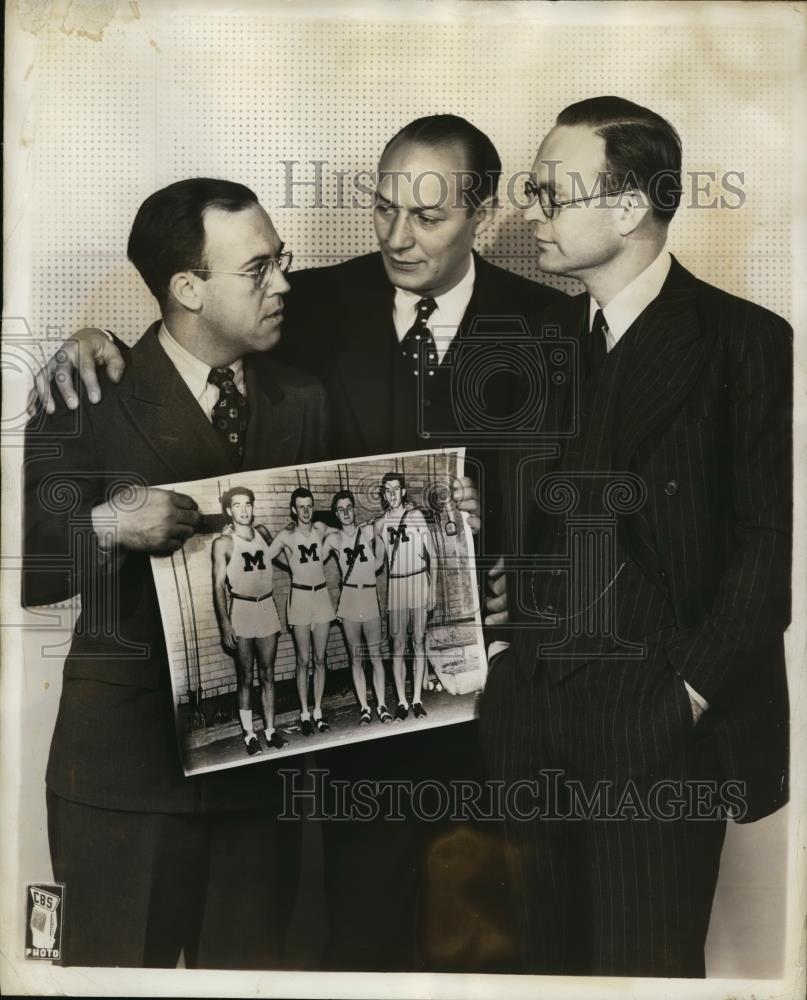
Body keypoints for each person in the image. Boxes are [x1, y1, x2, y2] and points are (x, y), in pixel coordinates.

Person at [31, 115, 564, 971]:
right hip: (208, 759)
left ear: (480, 211)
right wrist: (92, 343)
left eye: (425, 217)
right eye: (382, 208)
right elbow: (187, 325)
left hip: (436, 731)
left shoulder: (549, 326)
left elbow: (575, 509)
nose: (396, 236)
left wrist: (486, 539)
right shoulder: (294, 309)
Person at [480, 97, 792, 978]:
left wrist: (686, 695)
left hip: (657, 734)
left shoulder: (747, 343)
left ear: (626, 209)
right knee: (525, 982)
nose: (527, 212)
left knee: (640, 976)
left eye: (548, 194)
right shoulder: (530, 344)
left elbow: (769, 550)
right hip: (526, 721)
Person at [22, 178, 328, 968]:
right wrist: (108, 523)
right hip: (126, 781)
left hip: (264, 779)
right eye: (257, 270)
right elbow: (28, 566)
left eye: (280, 261)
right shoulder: (85, 393)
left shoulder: (306, 399)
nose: (282, 283)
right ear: (186, 287)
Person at [211, 486, 288, 755]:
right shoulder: (223, 543)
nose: (244, 510)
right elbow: (218, 586)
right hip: (241, 610)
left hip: (266, 607)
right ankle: (249, 735)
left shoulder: (264, 534)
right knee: (245, 677)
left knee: (268, 674)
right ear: (229, 510)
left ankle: (269, 731)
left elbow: (287, 560)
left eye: (248, 504)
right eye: (238, 505)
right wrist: (224, 625)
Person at [259, 487, 335, 735]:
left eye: (309, 505)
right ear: (293, 509)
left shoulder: (321, 528)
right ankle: (304, 713)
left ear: (313, 507)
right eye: (301, 506)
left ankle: (318, 712)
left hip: (321, 596)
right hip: (300, 597)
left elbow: (347, 533)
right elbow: (263, 557)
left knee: (320, 659)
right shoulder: (285, 536)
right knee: (303, 660)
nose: (305, 510)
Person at [322, 490, 390, 725]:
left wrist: (407, 507)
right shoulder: (333, 539)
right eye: (340, 509)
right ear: (336, 514)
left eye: (349, 507)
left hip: (370, 596)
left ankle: (381, 705)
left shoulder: (368, 530)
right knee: (356, 658)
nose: (346, 513)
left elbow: (386, 519)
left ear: (354, 509)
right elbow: (311, 561)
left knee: (376, 656)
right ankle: (364, 708)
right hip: (349, 600)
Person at [373, 472, 435, 721]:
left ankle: (417, 700)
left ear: (403, 491)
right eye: (387, 490)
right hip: (397, 585)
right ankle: (401, 701)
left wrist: (433, 588)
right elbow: (375, 559)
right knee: (397, 646)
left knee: (418, 641)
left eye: (396, 489)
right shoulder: (380, 524)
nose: (392, 494)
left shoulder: (416, 516)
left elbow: (433, 556)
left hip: (419, 579)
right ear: (384, 494)